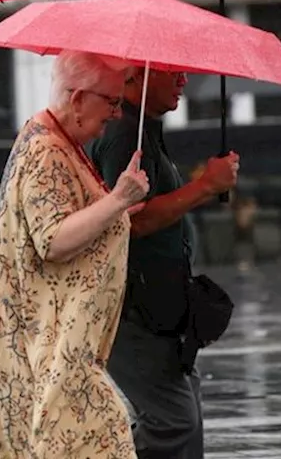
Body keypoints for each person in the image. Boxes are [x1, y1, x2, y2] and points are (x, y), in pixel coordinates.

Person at [0, 50, 151, 458]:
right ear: (77, 99)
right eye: (112, 101)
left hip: (53, 334)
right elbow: (52, 240)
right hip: (40, 335)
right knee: (97, 436)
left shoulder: (60, 140)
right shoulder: (47, 150)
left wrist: (118, 208)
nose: (117, 114)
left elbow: (70, 214)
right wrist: (117, 200)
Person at [88, 68, 239, 459]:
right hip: (133, 310)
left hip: (163, 309)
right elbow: (130, 220)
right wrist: (204, 186)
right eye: (174, 72)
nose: (184, 80)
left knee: (187, 418)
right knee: (173, 422)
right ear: (137, 76)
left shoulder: (147, 131)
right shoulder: (124, 136)